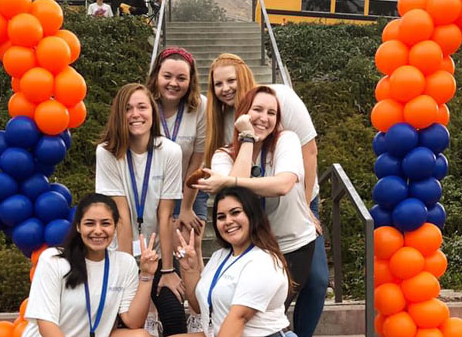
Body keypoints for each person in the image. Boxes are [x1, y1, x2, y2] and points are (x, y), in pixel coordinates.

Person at [204, 54, 328, 337]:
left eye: (231, 80)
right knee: (263, 313)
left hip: (294, 220)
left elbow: (302, 163)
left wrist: (307, 203)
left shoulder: (284, 126)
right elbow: (234, 195)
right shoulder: (226, 130)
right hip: (256, 238)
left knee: (314, 283)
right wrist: (247, 138)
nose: (225, 88)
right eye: (218, 84)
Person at [95, 83, 187, 336]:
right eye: (128, 108)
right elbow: (122, 217)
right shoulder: (106, 153)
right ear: (119, 114)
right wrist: (129, 277)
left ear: (152, 112)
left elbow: (166, 215)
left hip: (157, 252)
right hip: (119, 252)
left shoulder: (170, 151)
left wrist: (167, 270)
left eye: (142, 107)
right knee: (127, 321)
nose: (135, 114)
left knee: (174, 315)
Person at [23, 193, 157, 337]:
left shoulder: (125, 263)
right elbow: (46, 324)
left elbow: (133, 321)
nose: (98, 231)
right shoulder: (53, 260)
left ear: (115, 226)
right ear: (78, 227)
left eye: (105, 223)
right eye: (90, 223)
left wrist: (147, 276)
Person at [174, 187, 292, 337]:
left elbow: (238, 318)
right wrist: (190, 269)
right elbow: (199, 306)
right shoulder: (219, 256)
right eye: (221, 217)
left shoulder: (263, 262)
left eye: (235, 212)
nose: (228, 221)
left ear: (252, 214)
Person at [146, 47, 207, 267]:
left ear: (190, 81)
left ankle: (198, 301)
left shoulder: (200, 106)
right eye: (167, 76)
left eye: (181, 78)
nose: (173, 83)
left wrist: (186, 207)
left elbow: (197, 158)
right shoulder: (144, 106)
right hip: (154, 189)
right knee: (164, 247)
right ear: (156, 76)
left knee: (191, 247)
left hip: (189, 187)